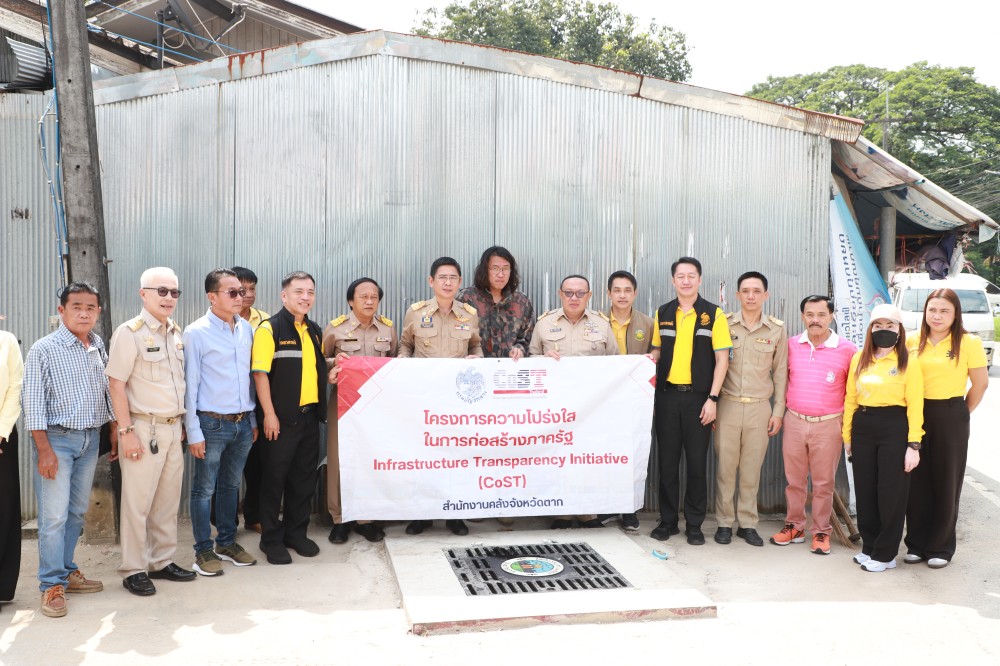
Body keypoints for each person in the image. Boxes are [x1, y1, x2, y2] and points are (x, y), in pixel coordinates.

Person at [22, 283, 114, 618]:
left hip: (90, 440)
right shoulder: (44, 349)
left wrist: (114, 430)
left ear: (98, 312)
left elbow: (106, 390)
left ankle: (65, 570)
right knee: (54, 516)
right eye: (77, 307)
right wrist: (44, 449)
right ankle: (51, 585)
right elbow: (32, 403)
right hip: (57, 441)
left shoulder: (97, 344)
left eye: (90, 308)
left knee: (75, 512)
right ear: (62, 310)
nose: (84, 313)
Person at [106, 268, 196, 596]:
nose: (169, 298)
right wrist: (125, 431)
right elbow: (116, 384)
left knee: (167, 502)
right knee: (137, 503)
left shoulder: (175, 332)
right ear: (143, 294)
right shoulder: (129, 333)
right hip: (143, 428)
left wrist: (181, 424)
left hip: (172, 428)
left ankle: (161, 560)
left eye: (174, 292)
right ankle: (133, 568)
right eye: (162, 291)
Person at [398, 257, 483, 536]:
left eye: (453, 278)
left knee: (456, 457)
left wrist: (477, 359)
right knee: (424, 457)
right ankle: (423, 514)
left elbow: (476, 346)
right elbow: (405, 345)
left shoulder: (469, 314)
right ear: (431, 281)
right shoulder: (415, 313)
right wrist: (403, 362)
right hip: (424, 400)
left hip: (457, 401)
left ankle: (454, 514)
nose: (448, 283)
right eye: (442, 277)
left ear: (460, 282)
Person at [650, 258, 731, 545]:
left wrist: (713, 399)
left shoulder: (714, 314)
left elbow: (722, 360)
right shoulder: (663, 313)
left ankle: (694, 524)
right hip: (667, 398)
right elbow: (657, 351)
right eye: (680, 276)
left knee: (697, 464)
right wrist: (643, 363)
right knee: (667, 463)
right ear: (673, 280)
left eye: (691, 276)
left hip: (699, 400)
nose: (686, 281)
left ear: (699, 280)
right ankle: (668, 521)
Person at [904, 289, 988, 569]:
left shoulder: (968, 342)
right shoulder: (912, 340)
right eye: (932, 310)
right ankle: (916, 543)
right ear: (925, 312)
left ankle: (940, 547)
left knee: (946, 481)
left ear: (955, 314)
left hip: (950, 414)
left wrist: (960, 414)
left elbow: (980, 384)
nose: (937, 316)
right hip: (915, 413)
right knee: (916, 481)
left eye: (944, 311)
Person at [183, 269, 258, 576]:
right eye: (233, 292)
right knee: (204, 489)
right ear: (212, 297)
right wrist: (193, 431)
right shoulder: (196, 333)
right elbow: (190, 385)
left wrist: (252, 419)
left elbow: (249, 378)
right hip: (211, 424)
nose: (241, 297)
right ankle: (203, 550)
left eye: (242, 291)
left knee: (231, 486)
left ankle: (226, 542)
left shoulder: (246, 329)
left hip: (242, 424)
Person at [530, 274, 619, 528]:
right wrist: (544, 359)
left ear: (589, 296)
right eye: (568, 292)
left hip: (591, 409)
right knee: (558, 458)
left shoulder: (601, 325)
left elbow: (615, 362)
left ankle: (587, 512)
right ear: (560, 294)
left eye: (580, 293)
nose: (574, 298)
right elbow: (531, 357)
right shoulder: (544, 324)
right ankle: (563, 512)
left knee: (587, 459)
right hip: (555, 408)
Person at [771, 295, 856, 555]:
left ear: (831, 316)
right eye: (810, 315)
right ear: (802, 317)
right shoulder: (791, 345)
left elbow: (853, 393)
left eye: (821, 314)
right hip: (795, 420)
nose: (815, 320)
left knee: (823, 483)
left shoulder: (848, 350)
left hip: (828, 424)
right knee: (794, 480)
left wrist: (848, 429)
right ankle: (794, 525)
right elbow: (780, 381)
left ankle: (821, 531)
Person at [252, 271, 327, 565]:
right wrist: (269, 415)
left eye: (310, 292)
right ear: (284, 296)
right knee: (274, 481)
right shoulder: (269, 329)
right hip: (280, 421)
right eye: (299, 292)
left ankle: (296, 534)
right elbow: (260, 374)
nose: (305, 297)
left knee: (303, 481)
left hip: (309, 419)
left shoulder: (314, 330)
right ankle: (271, 539)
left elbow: (314, 369)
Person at [843, 303, 924, 573]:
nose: (883, 329)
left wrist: (913, 445)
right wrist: (847, 436)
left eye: (890, 325)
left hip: (894, 427)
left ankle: (886, 553)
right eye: (878, 325)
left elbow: (915, 405)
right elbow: (851, 399)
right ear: (871, 329)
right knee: (865, 491)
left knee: (890, 493)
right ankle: (870, 547)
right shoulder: (859, 358)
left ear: (899, 330)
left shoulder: (908, 362)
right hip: (863, 426)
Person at [714, 271, 787, 547]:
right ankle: (724, 522)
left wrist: (778, 411)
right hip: (728, 405)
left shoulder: (776, 329)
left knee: (751, 470)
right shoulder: (724, 324)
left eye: (757, 291)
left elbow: (781, 373)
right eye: (745, 291)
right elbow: (713, 364)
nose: (751, 296)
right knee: (725, 469)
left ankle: (747, 524)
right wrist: (712, 403)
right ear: (737, 295)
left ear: (766, 295)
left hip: (759, 408)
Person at [324, 278, 397, 545]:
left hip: (377, 407)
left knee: (372, 458)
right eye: (363, 296)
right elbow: (321, 360)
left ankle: (367, 519)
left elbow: (394, 360)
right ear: (350, 301)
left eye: (374, 297)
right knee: (339, 459)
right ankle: (340, 519)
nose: (369, 301)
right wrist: (333, 364)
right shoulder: (335, 328)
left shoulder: (388, 329)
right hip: (343, 404)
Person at [600, 269, 653, 531]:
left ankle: (629, 509)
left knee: (632, 454)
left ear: (635, 293)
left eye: (627, 290)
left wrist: (650, 359)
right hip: (603, 401)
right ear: (608, 293)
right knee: (605, 453)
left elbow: (658, 351)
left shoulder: (648, 323)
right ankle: (606, 506)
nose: (622, 295)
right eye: (617, 290)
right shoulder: (597, 321)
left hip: (634, 401)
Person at [232, 266, 269, 534]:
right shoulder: (215, 322)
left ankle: (254, 516)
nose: (248, 294)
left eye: (252, 289)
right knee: (227, 472)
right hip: (227, 405)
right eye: (241, 289)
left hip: (259, 403)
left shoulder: (265, 322)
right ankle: (226, 523)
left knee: (258, 467)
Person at [457, 246, 534, 360]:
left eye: (505, 268)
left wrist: (519, 349)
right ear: (485, 270)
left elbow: (528, 340)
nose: (501, 274)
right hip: (475, 367)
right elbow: (457, 336)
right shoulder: (468, 298)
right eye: (495, 268)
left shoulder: (521, 301)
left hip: (510, 368)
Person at [0, 325, 23, 610]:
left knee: (3, 509)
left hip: (2, 435)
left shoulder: (5, 341)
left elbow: (16, 385)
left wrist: (1, 430)